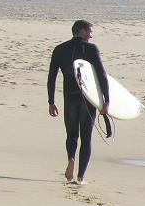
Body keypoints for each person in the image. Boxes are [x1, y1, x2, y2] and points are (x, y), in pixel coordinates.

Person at [47, 20, 109, 185]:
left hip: (70, 99)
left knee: (71, 135)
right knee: (86, 138)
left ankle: (71, 158)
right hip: (87, 100)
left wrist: (51, 102)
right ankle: (80, 177)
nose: (91, 35)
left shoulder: (59, 49)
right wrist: (106, 101)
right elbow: (102, 75)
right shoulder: (91, 49)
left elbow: (52, 77)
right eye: (89, 31)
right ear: (82, 31)